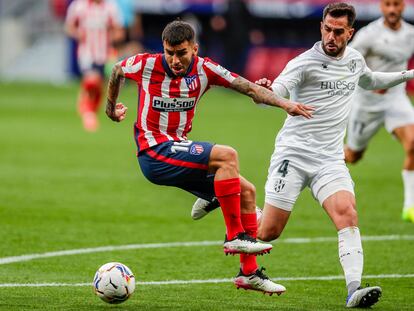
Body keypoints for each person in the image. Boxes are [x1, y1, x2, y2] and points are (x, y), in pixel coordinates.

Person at [192, 2, 414, 307]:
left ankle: (354, 290)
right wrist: (266, 90)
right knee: (269, 232)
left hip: (330, 160)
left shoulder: (354, 60)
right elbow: (278, 89)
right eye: (327, 29)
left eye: (339, 31)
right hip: (293, 156)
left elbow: (371, 79)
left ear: (350, 32)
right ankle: (224, 195)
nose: (331, 36)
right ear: (321, 27)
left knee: (347, 213)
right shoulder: (305, 61)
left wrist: (406, 74)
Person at [105, 20, 313, 294]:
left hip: (177, 148)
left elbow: (249, 88)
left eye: (181, 53)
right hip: (153, 151)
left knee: (247, 193)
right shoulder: (146, 64)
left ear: (194, 48)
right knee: (227, 156)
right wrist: (110, 109)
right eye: (169, 52)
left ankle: (248, 273)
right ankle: (235, 235)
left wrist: (286, 104)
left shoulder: (205, 69)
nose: (175, 60)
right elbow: (118, 69)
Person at [344, 0, 414, 223]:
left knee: (412, 144)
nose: (392, 10)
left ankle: (410, 207)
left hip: (396, 100)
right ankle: (320, 168)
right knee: (353, 156)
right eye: (387, 5)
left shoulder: (410, 34)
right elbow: (348, 61)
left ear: (403, 6)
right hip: (367, 103)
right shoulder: (368, 35)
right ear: (381, 7)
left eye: (396, 4)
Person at [65, 0, 123, 132]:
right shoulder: (79, 6)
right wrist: (76, 33)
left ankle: (90, 111)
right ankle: (87, 113)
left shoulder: (110, 7)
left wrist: (114, 38)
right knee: (91, 81)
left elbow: (119, 30)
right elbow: (69, 27)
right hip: (86, 53)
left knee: (99, 86)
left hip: (104, 54)